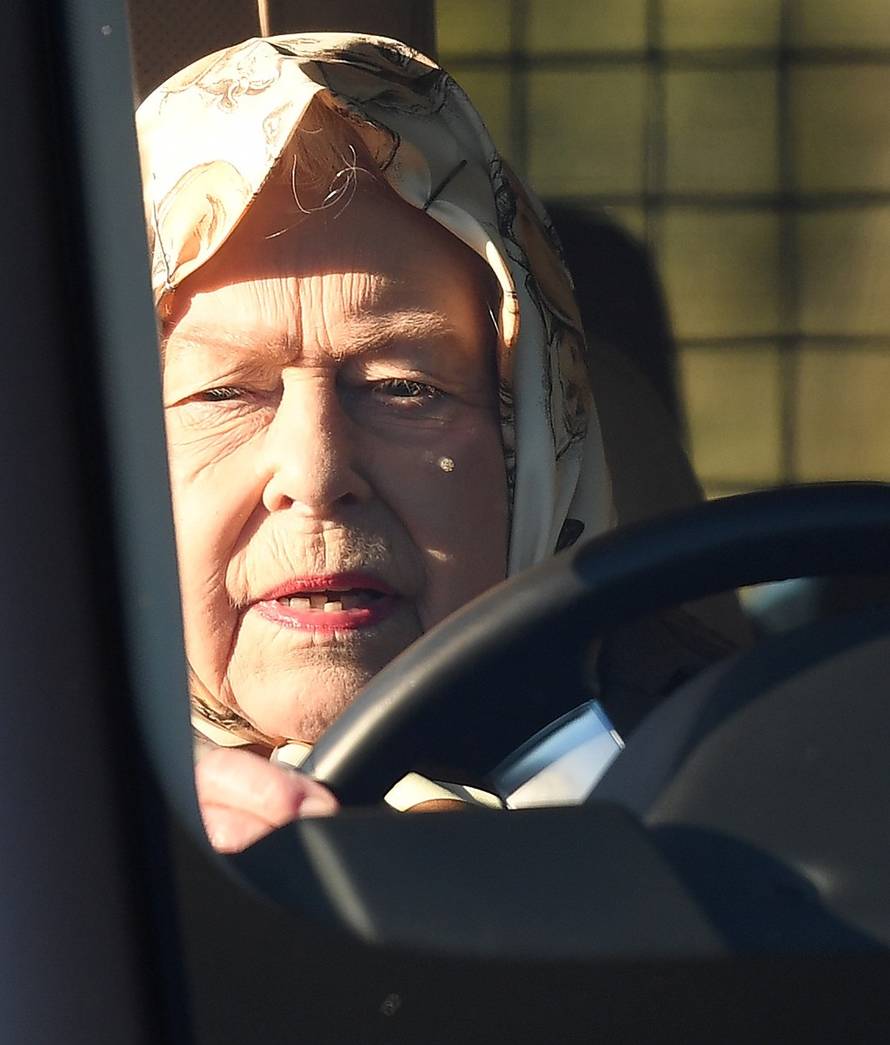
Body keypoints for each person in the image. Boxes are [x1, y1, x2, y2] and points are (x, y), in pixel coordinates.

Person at [136, 32, 746, 853]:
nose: (315, 475)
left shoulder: (754, 804)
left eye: (403, 388)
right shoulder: (52, 843)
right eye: (225, 394)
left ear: (533, 451)